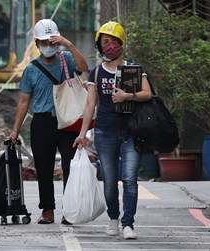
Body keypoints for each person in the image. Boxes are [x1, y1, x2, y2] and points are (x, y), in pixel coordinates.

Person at [73, 21, 152, 239]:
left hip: (130, 133)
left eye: (113, 42)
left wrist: (128, 96)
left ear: (121, 44)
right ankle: (114, 218)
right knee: (109, 181)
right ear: (100, 47)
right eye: (105, 42)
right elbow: (90, 105)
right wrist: (82, 134)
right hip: (105, 133)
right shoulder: (97, 73)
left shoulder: (133, 70)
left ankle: (128, 224)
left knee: (129, 179)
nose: (109, 46)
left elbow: (147, 93)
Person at [9, 19, 88, 225]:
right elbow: (23, 102)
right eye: (44, 42)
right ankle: (47, 209)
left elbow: (84, 67)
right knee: (43, 168)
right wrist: (15, 130)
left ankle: (70, 209)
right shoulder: (31, 69)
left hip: (67, 121)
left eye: (52, 42)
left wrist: (68, 44)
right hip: (42, 122)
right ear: (36, 43)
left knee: (70, 166)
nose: (49, 46)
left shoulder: (67, 59)